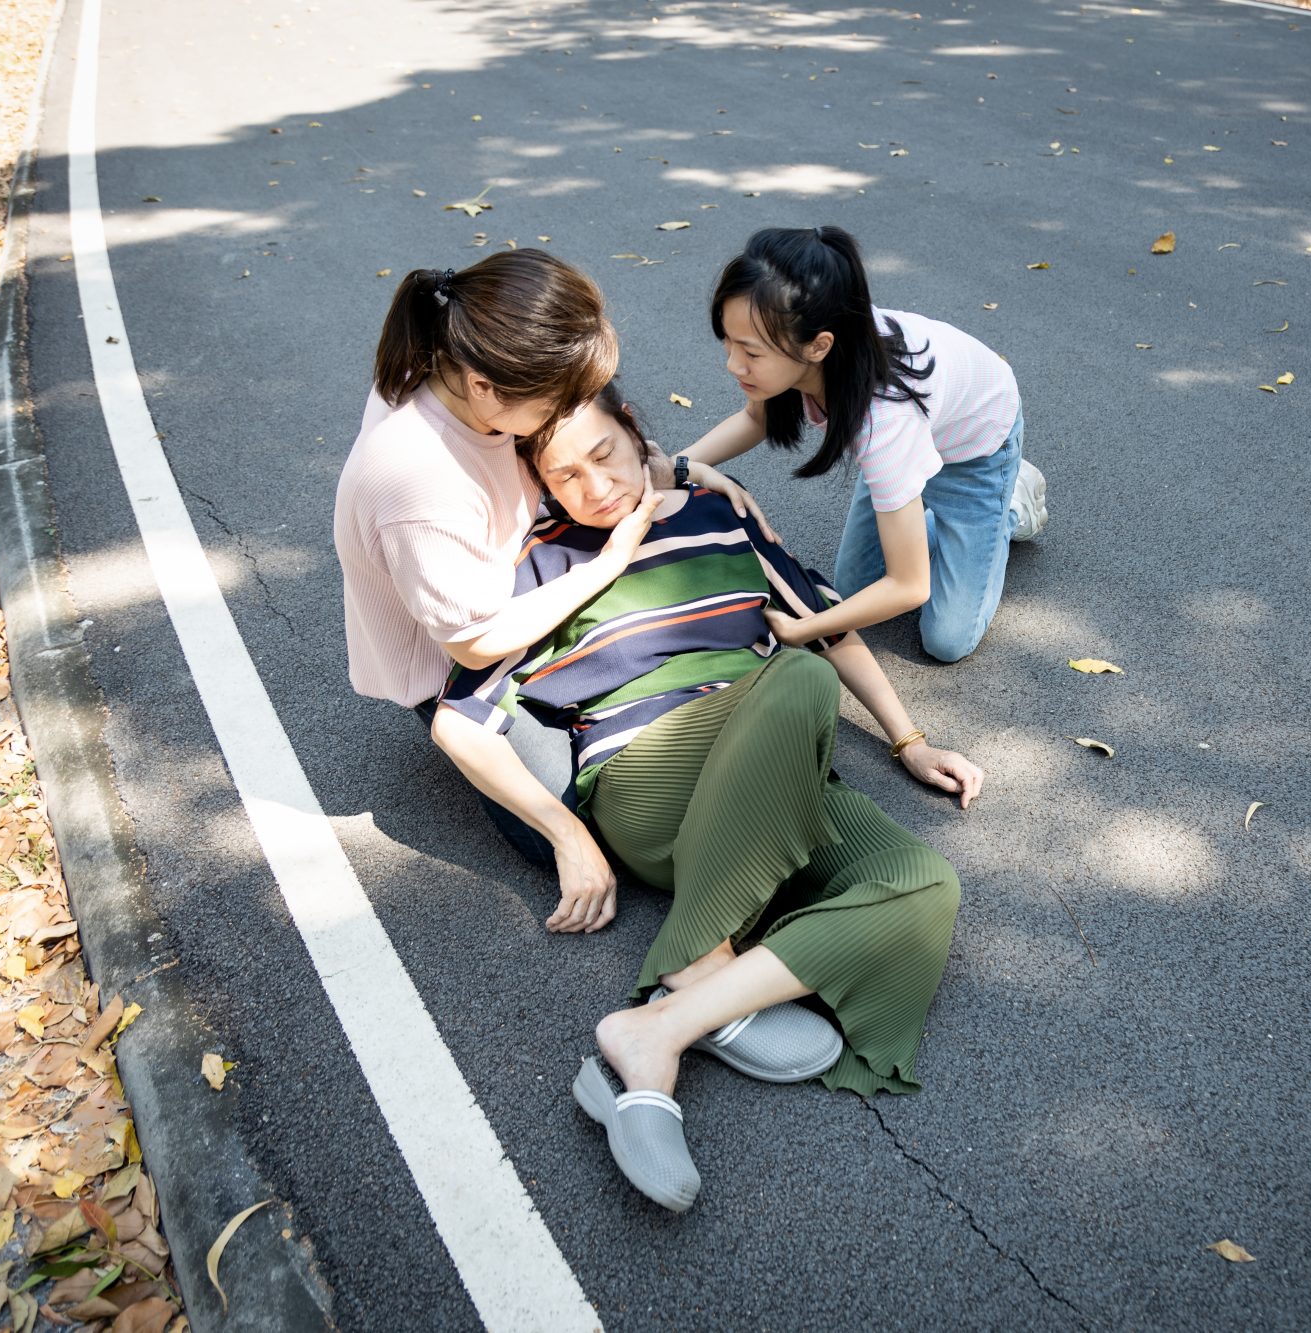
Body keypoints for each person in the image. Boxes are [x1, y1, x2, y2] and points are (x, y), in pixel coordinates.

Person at [430, 383, 980, 1212]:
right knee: (792, 675)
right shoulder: (536, 563)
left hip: (774, 768)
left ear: (636, 432)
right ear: (540, 484)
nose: (593, 486)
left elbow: (824, 622)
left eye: (605, 455)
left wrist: (911, 740)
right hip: (645, 776)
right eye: (564, 474)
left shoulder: (716, 513)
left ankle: (660, 1028)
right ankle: (701, 958)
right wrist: (565, 834)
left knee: (925, 882)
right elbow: (458, 722)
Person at [332, 252, 765, 929]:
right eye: (556, 399)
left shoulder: (462, 355)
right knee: (575, 827)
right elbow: (476, 645)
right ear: (486, 391)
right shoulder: (415, 478)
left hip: (521, 564)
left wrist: (674, 467)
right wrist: (606, 565)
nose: (570, 407)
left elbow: (586, 432)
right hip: (462, 648)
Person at [675, 225, 1047, 663]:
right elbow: (754, 420)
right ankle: (915, 508)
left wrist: (804, 628)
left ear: (818, 347)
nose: (734, 364)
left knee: (945, 639)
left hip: (975, 450)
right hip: (912, 446)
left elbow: (910, 586)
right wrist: (669, 465)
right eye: (728, 341)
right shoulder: (812, 332)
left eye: (751, 353)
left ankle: (1010, 503)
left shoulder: (882, 425)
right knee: (852, 588)